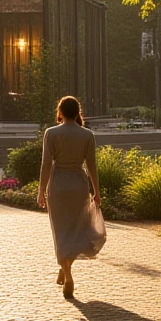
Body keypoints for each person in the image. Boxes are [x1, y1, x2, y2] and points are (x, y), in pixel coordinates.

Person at [37, 95, 105, 299]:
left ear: (60, 112)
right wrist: (96, 191)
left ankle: (67, 274)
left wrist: (41, 190)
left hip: (58, 184)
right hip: (78, 184)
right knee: (76, 229)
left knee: (60, 230)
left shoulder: (51, 133)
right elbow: (92, 166)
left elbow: (46, 165)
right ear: (78, 113)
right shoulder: (87, 135)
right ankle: (65, 268)